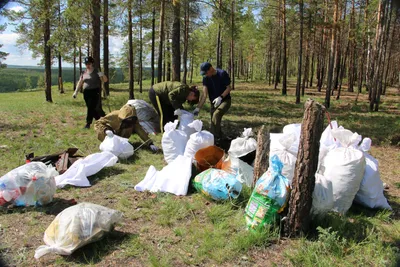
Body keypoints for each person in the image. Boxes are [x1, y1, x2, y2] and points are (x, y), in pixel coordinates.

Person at [94, 104, 159, 152]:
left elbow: (140, 131)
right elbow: (97, 123)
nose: (129, 123)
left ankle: (120, 144)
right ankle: (109, 145)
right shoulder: (113, 116)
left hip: (121, 136)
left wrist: (150, 143)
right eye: (127, 121)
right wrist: (105, 131)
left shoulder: (134, 121)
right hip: (109, 134)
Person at [195, 62, 232, 140]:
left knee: (216, 114)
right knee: (214, 123)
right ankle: (220, 137)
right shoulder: (206, 78)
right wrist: (198, 108)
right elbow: (204, 95)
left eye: (206, 73)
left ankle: (213, 139)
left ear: (211, 69)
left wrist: (220, 97)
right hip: (214, 103)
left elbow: (229, 88)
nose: (205, 75)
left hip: (225, 100)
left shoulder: (222, 74)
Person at [73, 56, 106, 129]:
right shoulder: (84, 72)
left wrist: (102, 74)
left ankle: (88, 123)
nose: (87, 65)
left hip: (95, 91)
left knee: (90, 107)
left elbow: (105, 80)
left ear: (92, 64)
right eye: (86, 64)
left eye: (89, 64)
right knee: (91, 108)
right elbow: (80, 82)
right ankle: (100, 119)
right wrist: (76, 92)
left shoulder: (96, 71)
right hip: (86, 93)